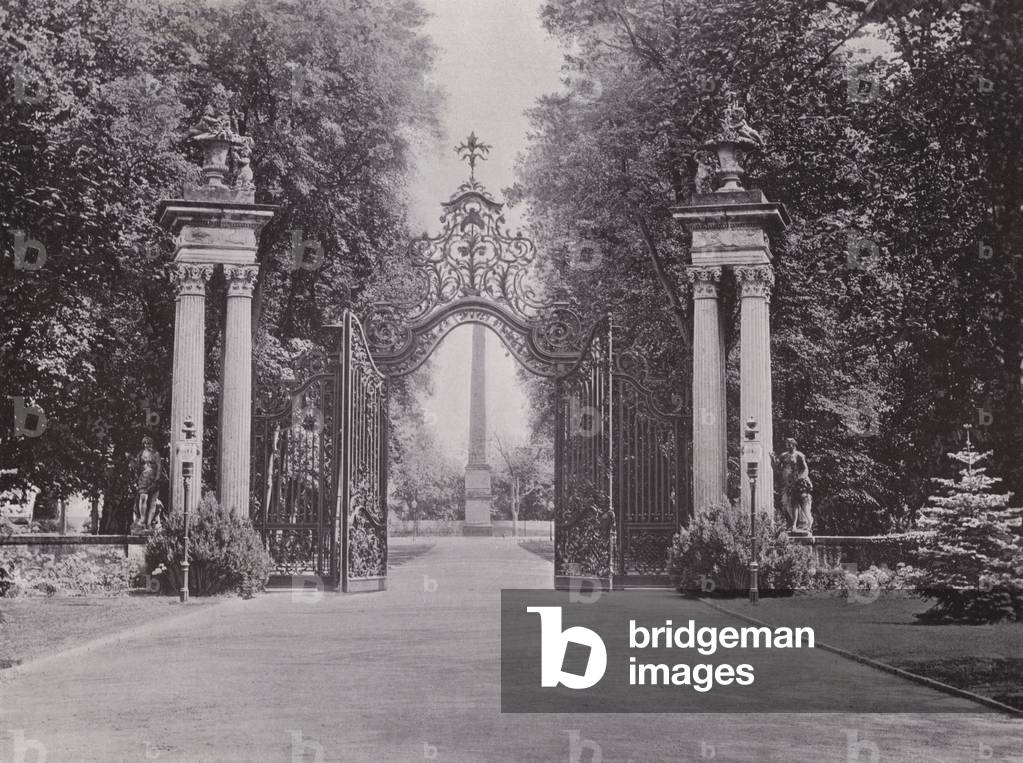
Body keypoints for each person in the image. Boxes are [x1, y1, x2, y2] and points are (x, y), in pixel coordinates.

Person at [772, 438, 813, 534]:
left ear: (794, 445)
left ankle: (805, 524)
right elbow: (778, 468)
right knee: (789, 504)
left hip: (798, 483)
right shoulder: (783, 456)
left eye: (790, 444)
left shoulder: (799, 455)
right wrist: (773, 461)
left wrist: (801, 479)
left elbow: (805, 469)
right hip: (788, 483)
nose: (788, 446)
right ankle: (793, 524)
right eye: (787, 444)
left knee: (802, 503)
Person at [134, 436, 163, 530]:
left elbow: (159, 467)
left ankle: (149, 523)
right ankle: (142, 520)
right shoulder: (140, 454)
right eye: (145, 443)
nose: (147, 445)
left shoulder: (156, 454)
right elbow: (137, 467)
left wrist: (157, 478)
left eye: (149, 443)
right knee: (143, 498)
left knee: (153, 502)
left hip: (153, 479)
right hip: (143, 478)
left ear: (152, 443)